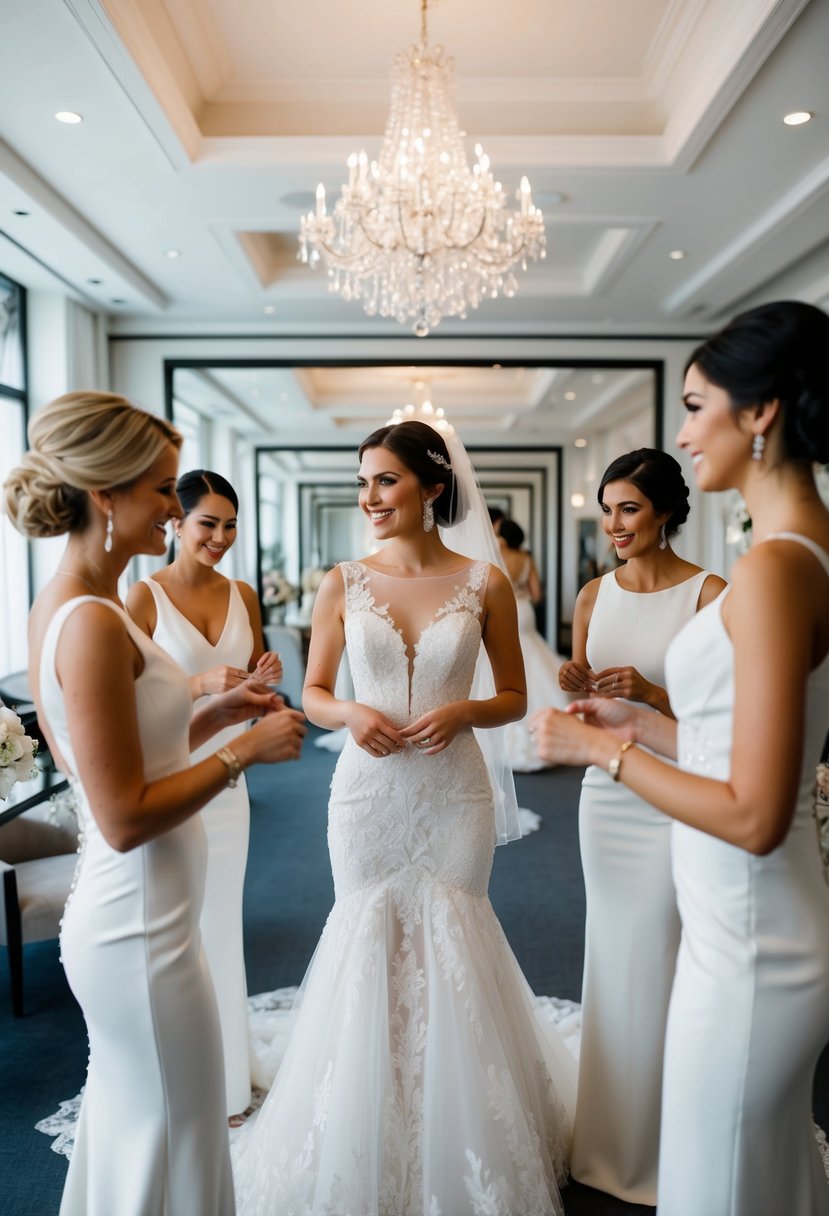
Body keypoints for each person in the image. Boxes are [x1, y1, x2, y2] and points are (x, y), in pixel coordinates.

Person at [232, 420, 577, 1216]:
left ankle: (461, 1128)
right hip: (367, 794)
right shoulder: (343, 580)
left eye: (384, 480)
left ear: (430, 484)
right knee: (368, 936)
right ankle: (366, 1118)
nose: (369, 498)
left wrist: (463, 714)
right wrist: (349, 713)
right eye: (362, 482)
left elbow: (516, 698)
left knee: (454, 933)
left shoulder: (483, 583)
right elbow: (312, 693)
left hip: (452, 790)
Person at [531, 300, 829, 1216]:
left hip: (751, 939)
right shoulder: (785, 554)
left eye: (696, 405)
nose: (682, 431)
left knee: (716, 1184)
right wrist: (630, 726)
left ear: (761, 412)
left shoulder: (775, 566)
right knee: (745, 1174)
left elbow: (752, 810)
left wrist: (596, 751)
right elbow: (720, 740)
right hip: (738, 921)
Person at [3, 391, 306, 1216]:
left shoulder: (80, 604)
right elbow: (123, 812)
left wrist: (216, 714)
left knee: (156, 1126)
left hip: (152, 916)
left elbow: (137, 744)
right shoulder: (95, 621)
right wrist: (246, 749)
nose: (175, 508)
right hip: (136, 925)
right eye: (163, 489)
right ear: (107, 494)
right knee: (173, 1124)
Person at [553, 449, 725, 1203]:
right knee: (612, 951)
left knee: (663, 951)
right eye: (606, 508)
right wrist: (573, 684)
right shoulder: (593, 594)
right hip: (604, 798)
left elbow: (726, 724)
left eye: (628, 508)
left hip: (673, 794)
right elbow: (580, 688)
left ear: (662, 512)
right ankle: (605, 1139)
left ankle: (665, 1138)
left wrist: (653, 691)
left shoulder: (711, 596)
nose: (613, 524)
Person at [126, 469, 282, 1124]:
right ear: (174, 524)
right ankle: (179, 1081)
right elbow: (125, 706)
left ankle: (224, 1079)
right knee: (175, 930)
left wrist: (261, 683)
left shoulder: (244, 593)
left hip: (227, 784)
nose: (220, 537)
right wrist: (197, 686)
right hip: (170, 777)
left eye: (229, 525)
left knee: (221, 923)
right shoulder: (142, 599)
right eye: (206, 524)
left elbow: (259, 679)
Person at [499, 517, 569, 773]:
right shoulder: (526, 559)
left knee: (507, 654)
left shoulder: (498, 555)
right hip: (525, 609)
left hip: (506, 610)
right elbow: (537, 594)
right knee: (531, 652)